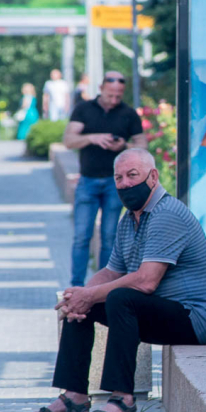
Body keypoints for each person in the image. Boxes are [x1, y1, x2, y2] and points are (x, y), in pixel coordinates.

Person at [25, 148, 206, 412]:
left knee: (120, 298)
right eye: (119, 178)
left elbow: (146, 281)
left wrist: (90, 295)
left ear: (153, 176)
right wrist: (80, 297)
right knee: (82, 301)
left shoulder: (168, 214)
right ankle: (74, 397)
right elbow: (110, 271)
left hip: (192, 319)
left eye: (132, 175)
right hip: (156, 312)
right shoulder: (130, 219)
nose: (125, 183)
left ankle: (123, 401)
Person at [63, 71, 146, 287]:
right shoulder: (84, 109)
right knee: (82, 236)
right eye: (110, 95)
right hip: (88, 181)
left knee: (109, 237)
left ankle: (101, 287)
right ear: (101, 89)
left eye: (118, 96)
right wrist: (92, 138)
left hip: (115, 183)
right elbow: (68, 140)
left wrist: (124, 146)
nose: (114, 100)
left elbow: (143, 145)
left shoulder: (128, 113)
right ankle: (76, 285)